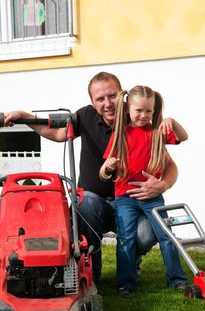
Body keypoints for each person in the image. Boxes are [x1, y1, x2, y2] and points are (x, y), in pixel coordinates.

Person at [4, 72, 184, 283]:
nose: (108, 103)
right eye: (100, 99)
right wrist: (24, 117)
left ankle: (132, 263)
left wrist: (162, 185)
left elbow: (170, 166)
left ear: (123, 96)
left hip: (132, 201)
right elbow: (57, 133)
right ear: (92, 102)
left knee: (146, 235)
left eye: (112, 96)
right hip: (95, 204)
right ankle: (91, 270)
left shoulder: (138, 120)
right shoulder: (86, 117)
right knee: (85, 201)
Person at [100, 85, 188, 294]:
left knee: (167, 235)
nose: (144, 115)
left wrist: (172, 122)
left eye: (148, 111)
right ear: (128, 109)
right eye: (139, 110)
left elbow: (184, 137)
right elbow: (103, 170)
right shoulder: (120, 135)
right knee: (126, 239)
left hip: (152, 197)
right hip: (125, 197)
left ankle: (177, 279)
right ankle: (126, 284)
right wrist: (110, 165)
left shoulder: (157, 132)